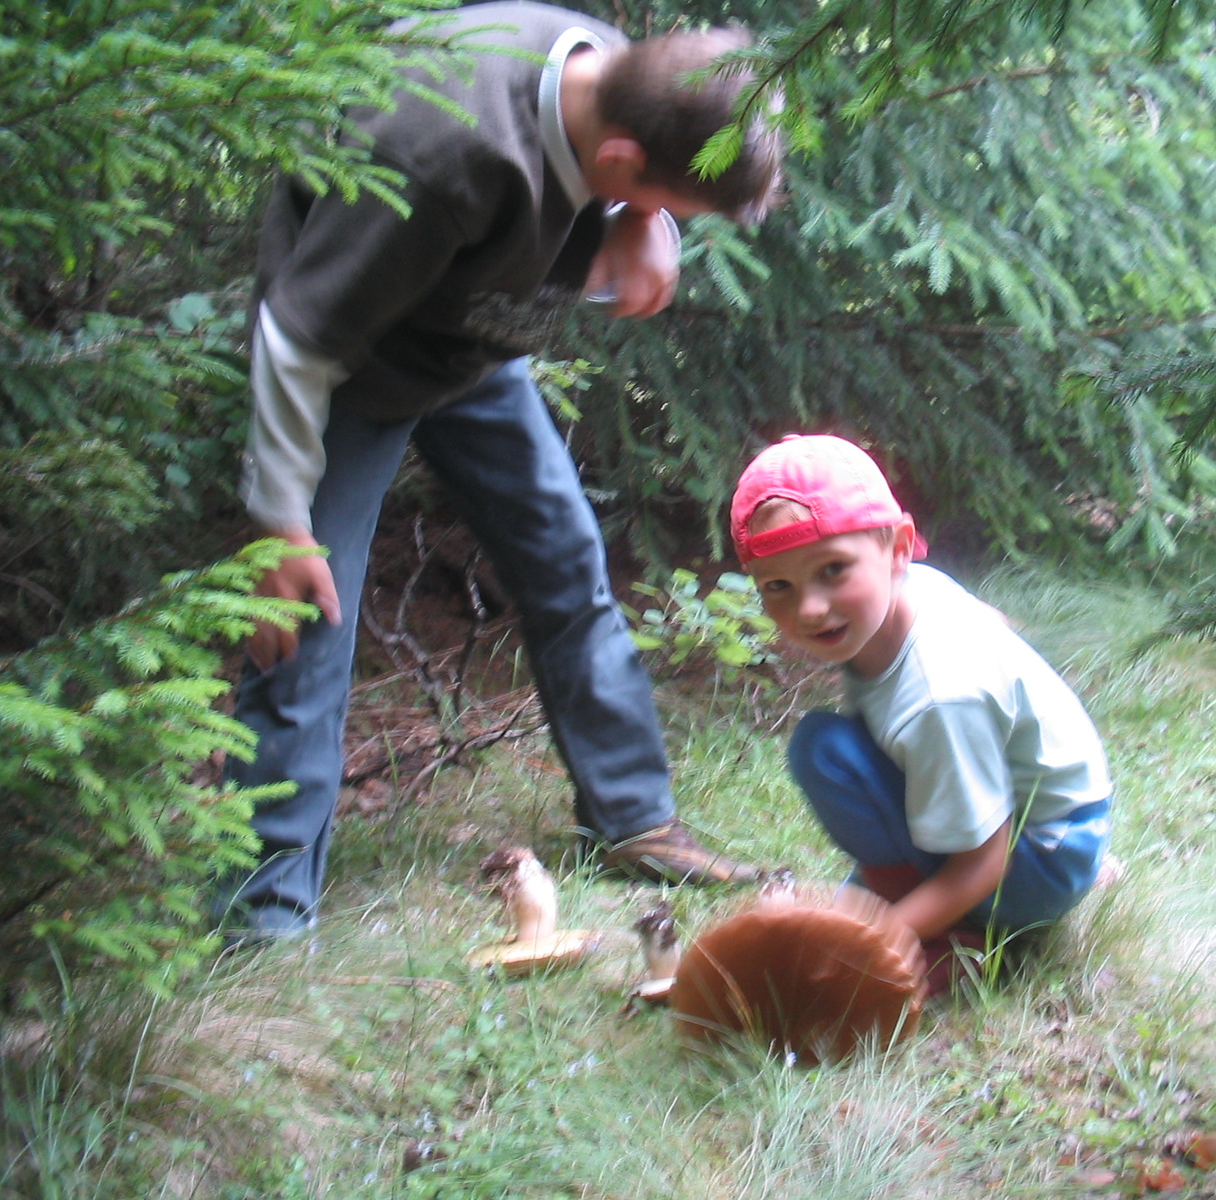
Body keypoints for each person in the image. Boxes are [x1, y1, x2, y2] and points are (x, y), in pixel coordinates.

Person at [219, 2, 786, 943]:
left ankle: (630, 818)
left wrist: (649, 223)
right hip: (349, 361)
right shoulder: (441, 154)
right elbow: (295, 335)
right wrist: (279, 521)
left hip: (464, 342)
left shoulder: (618, 77)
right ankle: (262, 914)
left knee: (562, 551)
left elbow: (626, 179)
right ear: (617, 162)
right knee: (305, 613)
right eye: (669, 203)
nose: (670, 223)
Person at [729, 434, 1114, 990]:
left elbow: (986, 861)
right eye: (779, 586)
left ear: (898, 547)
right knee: (832, 744)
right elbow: (994, 624)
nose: (809, 608)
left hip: (1030, 859)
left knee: (826, 754)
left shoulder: (940, 695)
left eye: (833, 569)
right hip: (1062, 825)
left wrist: (875, 937)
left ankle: (960, 940)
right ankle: (947, 896)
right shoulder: (914, 589)